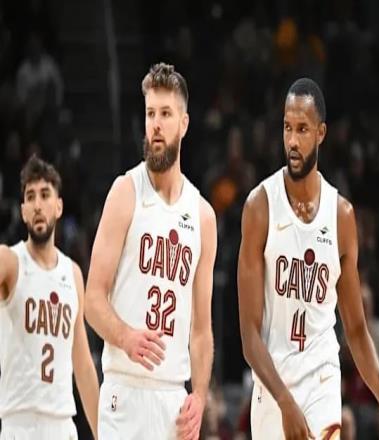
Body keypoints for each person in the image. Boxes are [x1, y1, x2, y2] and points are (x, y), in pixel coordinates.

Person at [237, 78, 379, 439]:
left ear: (321, 133)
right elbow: (249, 335)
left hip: (322, 381)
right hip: (273, 386)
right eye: (287, 128)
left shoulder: (341, 216)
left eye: (302, 129)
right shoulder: (259, 207)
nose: (292, 141)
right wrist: (285, 401)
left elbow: (356, 329)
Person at [85, 63, 217, 439]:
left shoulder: (203, 216)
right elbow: (92, 299)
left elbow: (201, 330)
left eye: (165, 114)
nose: (156, 125)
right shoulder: (125, 192)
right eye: (150, 114)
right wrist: (125, 336)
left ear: (184, 124)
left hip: (173, 400)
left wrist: (200, 395)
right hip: (123, 392)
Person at [0, 155, 98, 439]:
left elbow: (83, 366)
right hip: (20, 423)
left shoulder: (73, 273)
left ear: (58, 206)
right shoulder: (10, 262)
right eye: (30, 197)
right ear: (23, 211)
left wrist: (103, 433)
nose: (37, 204)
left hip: (63, 424)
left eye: (45, 195)